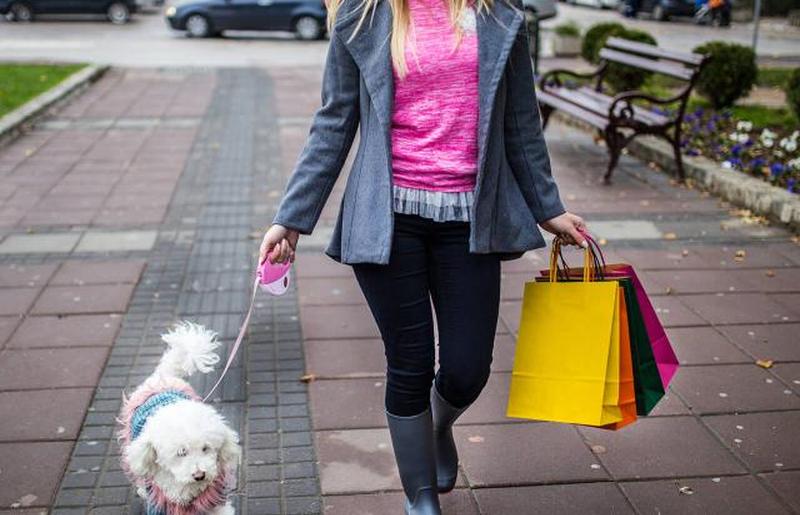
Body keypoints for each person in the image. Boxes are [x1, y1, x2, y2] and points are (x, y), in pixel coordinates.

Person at [259, 0, 587, 512]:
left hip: (470, 218)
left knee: (468, 367)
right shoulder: (362, 13)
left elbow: (521, 120)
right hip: (388, 220)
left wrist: (549, 208)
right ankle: (421, 495)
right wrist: (292, 217)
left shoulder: (497, 12)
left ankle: (434, 428)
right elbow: (334, 120)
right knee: (409, 364)